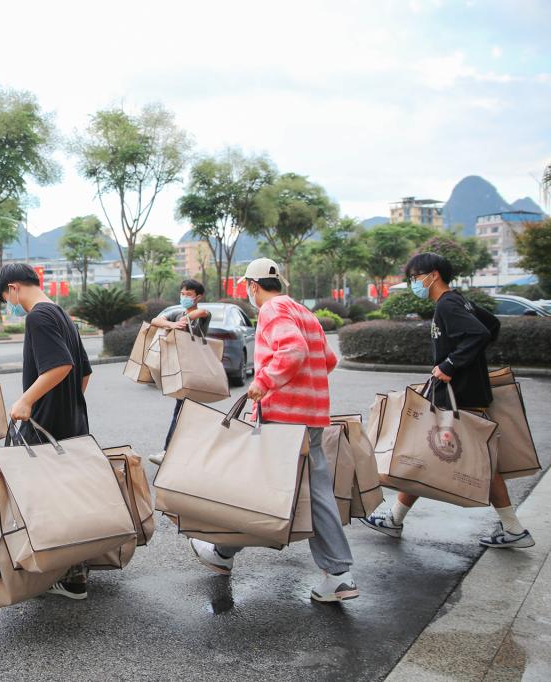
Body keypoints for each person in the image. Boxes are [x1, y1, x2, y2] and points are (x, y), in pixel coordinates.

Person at [189, 258, 360, 603]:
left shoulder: (273, 310)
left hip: (283, 417)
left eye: (246, 288)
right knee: (315, 490)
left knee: (254, 487)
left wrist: (264, 381)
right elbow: (327, 360)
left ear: (252, 286)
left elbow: (292, 350)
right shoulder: (302, 311)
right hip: (311, 415)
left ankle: (222, 551)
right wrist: (304, 385)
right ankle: (339, 574)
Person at [362, 252, 534, 549]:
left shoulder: (448, 304)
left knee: (478, 462)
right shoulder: (458, 301)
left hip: (460, 394)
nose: (414, 282)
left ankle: (513, 528)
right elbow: (491, 325)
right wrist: (467, 361)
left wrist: (450, 365)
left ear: (434, 275)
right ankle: (394, 518)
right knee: (428, 453)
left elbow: (479, 333)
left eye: (416, 277)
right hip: (463, 392)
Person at [0, 263, 94, 600]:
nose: (10, 302)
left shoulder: (37, 317)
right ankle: (76, 573)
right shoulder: (62, 314)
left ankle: (61, 574)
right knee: (68, 499)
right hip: (73, 424)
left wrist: (26, 401)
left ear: (13, 288)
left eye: (6, 296)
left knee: (49, 503)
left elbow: (61, 365)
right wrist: (70, 403)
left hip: (47, 425)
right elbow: (83, 372)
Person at [147, 279, 211, 465]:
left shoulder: (201, 315)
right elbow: (155, 320)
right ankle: (179, 453)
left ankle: (171, 453)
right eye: (182, 294)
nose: (184, 297)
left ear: (198, 296)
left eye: (188, 294)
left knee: (184, 410)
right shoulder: (176, 312)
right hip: (180, 370)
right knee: (183, 409)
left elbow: (203, 312)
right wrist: (172, 325)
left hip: (197, 369)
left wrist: (186, 318)